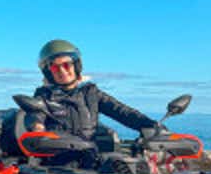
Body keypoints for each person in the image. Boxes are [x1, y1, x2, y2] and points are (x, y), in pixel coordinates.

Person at [27, 39, 157, 139]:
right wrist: (38, 128)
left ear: (76, 66)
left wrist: (152, 126)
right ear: (49, 72)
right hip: (56, 159)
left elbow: (121, 111)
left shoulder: (91, 93)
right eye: (55, 67)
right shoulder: (44, 96)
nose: (62, 71)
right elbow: (36, 115)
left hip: (90, 156)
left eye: (66, 65)